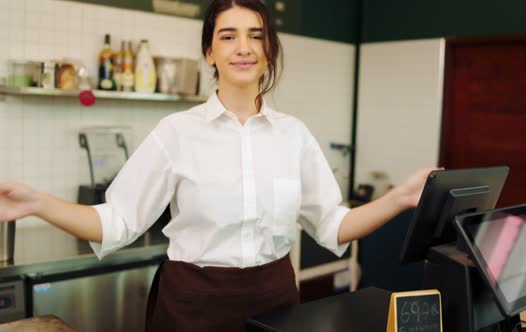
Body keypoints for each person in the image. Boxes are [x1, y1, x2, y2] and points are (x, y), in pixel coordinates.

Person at [0, 0, 437, 331]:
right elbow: (115, 221)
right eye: (228, 36)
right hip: (192, 308)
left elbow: (332, 225)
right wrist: (37, 202)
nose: (242, 48)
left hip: (278, 305)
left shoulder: (294, 134)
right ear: (210, 52)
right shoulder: (176, 132)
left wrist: (398, 199)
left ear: (270, 50)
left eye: (255, 35)